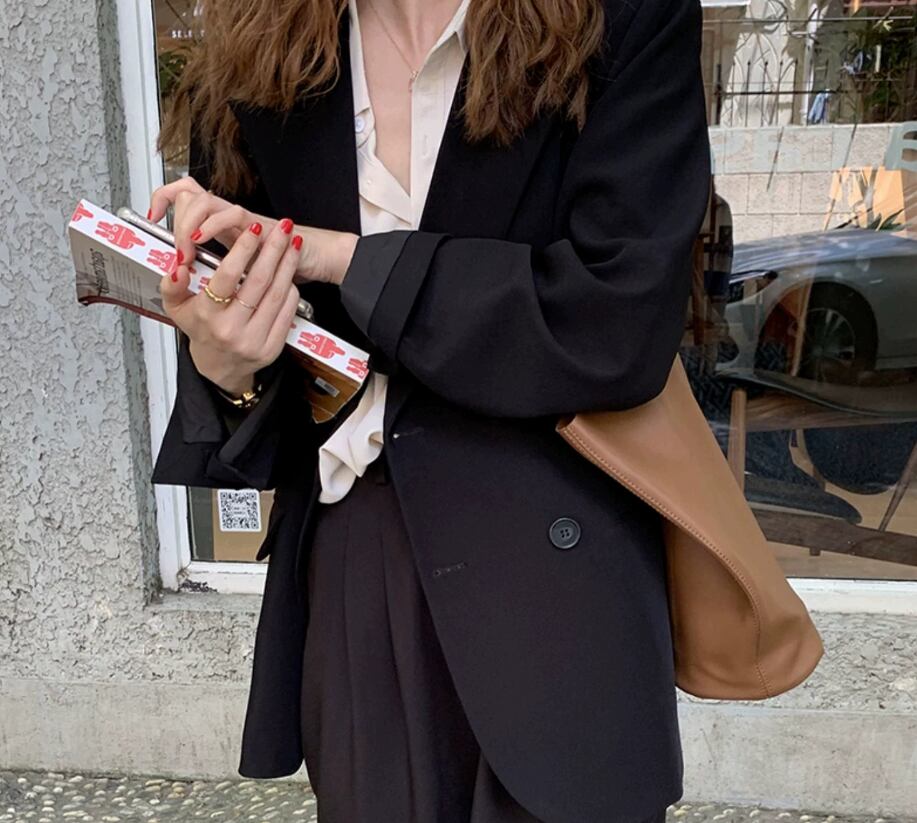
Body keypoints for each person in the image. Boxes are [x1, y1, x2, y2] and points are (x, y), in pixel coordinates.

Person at [148, 0, 712, 819]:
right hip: (357, 559)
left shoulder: (617, 16)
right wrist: (223, 358)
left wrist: (340, 257)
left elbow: (619, 321)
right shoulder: (256, 44)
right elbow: (263, 356)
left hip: (558, 572)